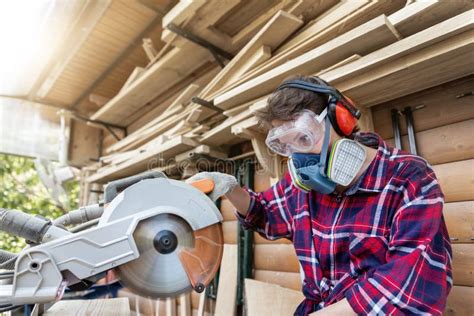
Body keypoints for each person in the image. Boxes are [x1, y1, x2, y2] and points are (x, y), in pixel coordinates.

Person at [187, 75, 452, 315]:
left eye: (303, 139)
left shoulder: (408, 176)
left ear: (341, 120)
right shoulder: (305, 183)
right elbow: (265, 213)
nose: (298, 156)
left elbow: (404, 285)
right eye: (286, 146)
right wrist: (231, 189)